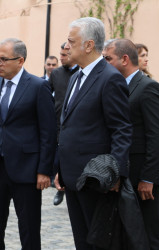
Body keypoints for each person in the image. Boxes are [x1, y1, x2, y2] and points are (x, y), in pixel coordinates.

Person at [55, 17, 132, 249]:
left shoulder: (110, 78)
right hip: (72, 177)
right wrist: (60, 168)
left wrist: (114, 174)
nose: (66, 46)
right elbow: (68, 126)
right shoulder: (75, 76)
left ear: (88, 45)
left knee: (100, 242)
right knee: (82, 240)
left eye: (71, 41)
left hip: (96, 178)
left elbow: (121, 129)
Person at [0, 38, 57, 250]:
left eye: (3, 59)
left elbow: (48, 132)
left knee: (29, 228)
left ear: (20, 60)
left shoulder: (38, 86)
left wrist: (44, 170)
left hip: (27, 170)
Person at [104, 38, 159, 249]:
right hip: (124, 172)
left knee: (150, 231)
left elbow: (157, 135)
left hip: (143, 175)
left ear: (124, 59)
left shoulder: (149, 88)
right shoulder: (115, 85)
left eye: (108, 59)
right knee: (127, 232)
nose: (104, 63)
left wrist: (148, 178)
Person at [49, 43, 79, 206]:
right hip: (58, 122)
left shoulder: (80, 73)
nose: (61, 57)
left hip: (75, 123)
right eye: (60, 54)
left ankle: (71, 188)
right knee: (59, 158)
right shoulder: (56, 74)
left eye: (64, 54)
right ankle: (60, 189)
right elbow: (48, 95)